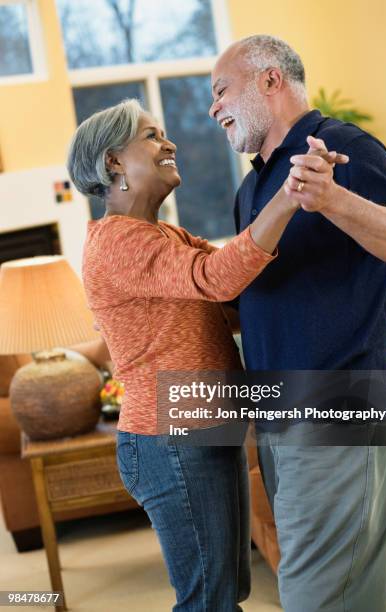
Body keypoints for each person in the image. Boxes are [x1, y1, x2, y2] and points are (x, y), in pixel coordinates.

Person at [67, 98, 343, 611]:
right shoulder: (117, 242)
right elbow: (215, 278)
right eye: (151, 136)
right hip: (170, 437)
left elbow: (235, 294)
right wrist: (286, 196)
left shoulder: (161, 234)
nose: (169, 143)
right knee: (208, 601)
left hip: (199, 423)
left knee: (224, 595)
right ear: (113, 162)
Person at [209, 35, 386, 612]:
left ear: (270, 80)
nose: (213, 108)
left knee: (319, 597)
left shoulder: (343, 146)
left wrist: (332, 199)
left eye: (221, 91)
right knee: (338, 593)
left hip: (341, 404)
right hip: (282, 416)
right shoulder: (252, 188)